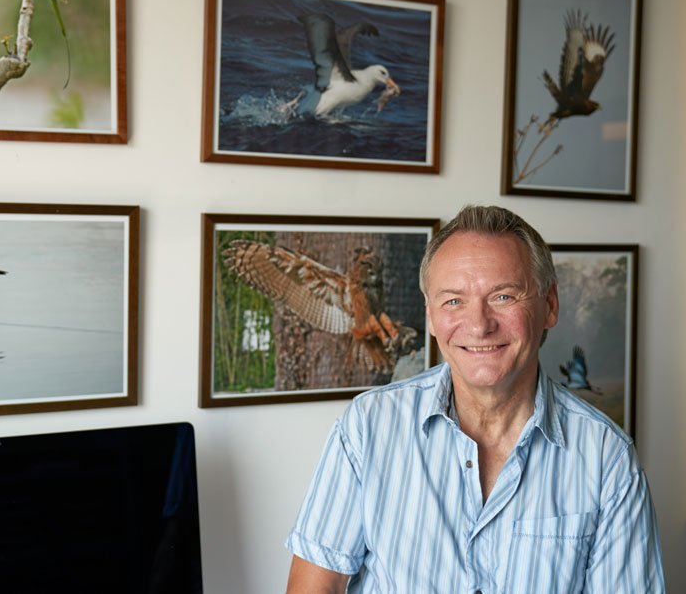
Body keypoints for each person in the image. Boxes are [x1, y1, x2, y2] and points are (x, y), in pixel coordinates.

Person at [285, 205, 665, 593]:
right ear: (431, 316)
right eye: (453, 301)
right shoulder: (368, 427)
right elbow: (314, 587)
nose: (480, 325)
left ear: (549, 305)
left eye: (503, 296)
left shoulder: (607, 458)